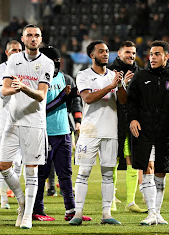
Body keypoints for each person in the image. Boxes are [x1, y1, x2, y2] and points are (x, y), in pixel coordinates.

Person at [0, 24, 54, 229]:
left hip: (34, 124)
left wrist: (22, 87)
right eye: (29, 35)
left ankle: (28, 215)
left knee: (31, 171)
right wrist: (15, 89)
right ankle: (22, 201)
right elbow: (4, 90)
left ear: (40, 39)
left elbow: (41, 95)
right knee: (3, 166)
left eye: (36, 35)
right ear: (23, 39)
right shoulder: (14, 60)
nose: (33, 38)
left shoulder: (47, 63)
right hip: (13, 121)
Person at [125, 40, 169, 225]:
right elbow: (130, 102)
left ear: (166, 56)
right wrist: (133, 119)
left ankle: (157, 213)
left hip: (166, 132)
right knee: (147, 168)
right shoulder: (140, 76)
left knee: (161, 171)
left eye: (157, 54)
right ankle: (151, 213)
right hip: (143, 131)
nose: (152, 57)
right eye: (151, 54)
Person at [69, 40, 126, 225]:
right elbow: (87, 98)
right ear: (92, 55)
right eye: (101, 51)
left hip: (110, 131)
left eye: (107, 51)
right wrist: (110, 86)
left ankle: (106, 214)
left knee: (108, 174)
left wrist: (122, 85)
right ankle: (78, 214)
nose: (105, 54)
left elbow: (123, 101)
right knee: (84, 172)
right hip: (89, 131)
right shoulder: (83, 75)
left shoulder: (114, 75)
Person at [32, 46, 91, 222]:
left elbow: (75, 104)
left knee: (66, 173)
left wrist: (77, 118)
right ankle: (37, 210)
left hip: (64, 131)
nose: (56, 64)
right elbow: (39, 110)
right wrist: (62, 99)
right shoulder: (38, 80)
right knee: (42, 174)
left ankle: (71, 210)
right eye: (53, 61)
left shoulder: (66, 78)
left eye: (58, 61)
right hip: (44, 132)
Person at [108, 40, 147, 213]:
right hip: (114, 121)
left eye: (133, 53)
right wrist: (122, 83)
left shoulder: (139, 72)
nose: (131, 56)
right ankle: (111, 201)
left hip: (132, 121)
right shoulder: (109, 71)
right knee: (113, 160)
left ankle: (131, 202)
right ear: (119, 53)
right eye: (128, 53)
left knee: (132, 159)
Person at [0, 40, 23, 209]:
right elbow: (1, 93)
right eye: (13, 50)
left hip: (24, 119)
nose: (16, 52)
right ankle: (4, 198)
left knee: (19, 162)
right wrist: (22, 87)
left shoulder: (27, 68)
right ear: (7, 52)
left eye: (19, 50)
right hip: (5, 121)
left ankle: (18, 199)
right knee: (4, 160)